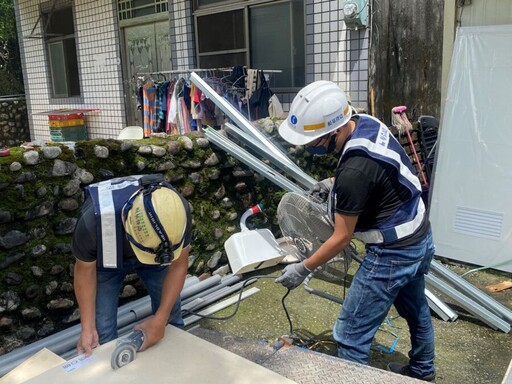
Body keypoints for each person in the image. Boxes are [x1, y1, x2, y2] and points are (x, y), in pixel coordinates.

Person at [275, 80, 436, 382]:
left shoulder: (354, 173)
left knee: (349, 335)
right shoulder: (364, 122)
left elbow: (341, 237)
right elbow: (369, 171)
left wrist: (302, 268)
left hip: (393, 252)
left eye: (312, 141)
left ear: (333, 131)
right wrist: (331, 183)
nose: (308, 147)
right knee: (416, 311)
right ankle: (423, 373)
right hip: (419, 235)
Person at [72, 174, 192, 356]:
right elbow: (84, 275)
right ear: (127, 226)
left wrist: (160, 320)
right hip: (108, 257)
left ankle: (176, 363)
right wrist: (87, 328)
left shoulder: (175, 211)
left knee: (170, 315)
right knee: (101, 333)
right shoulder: (92, 223)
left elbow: (178, 266)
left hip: (156, 253)